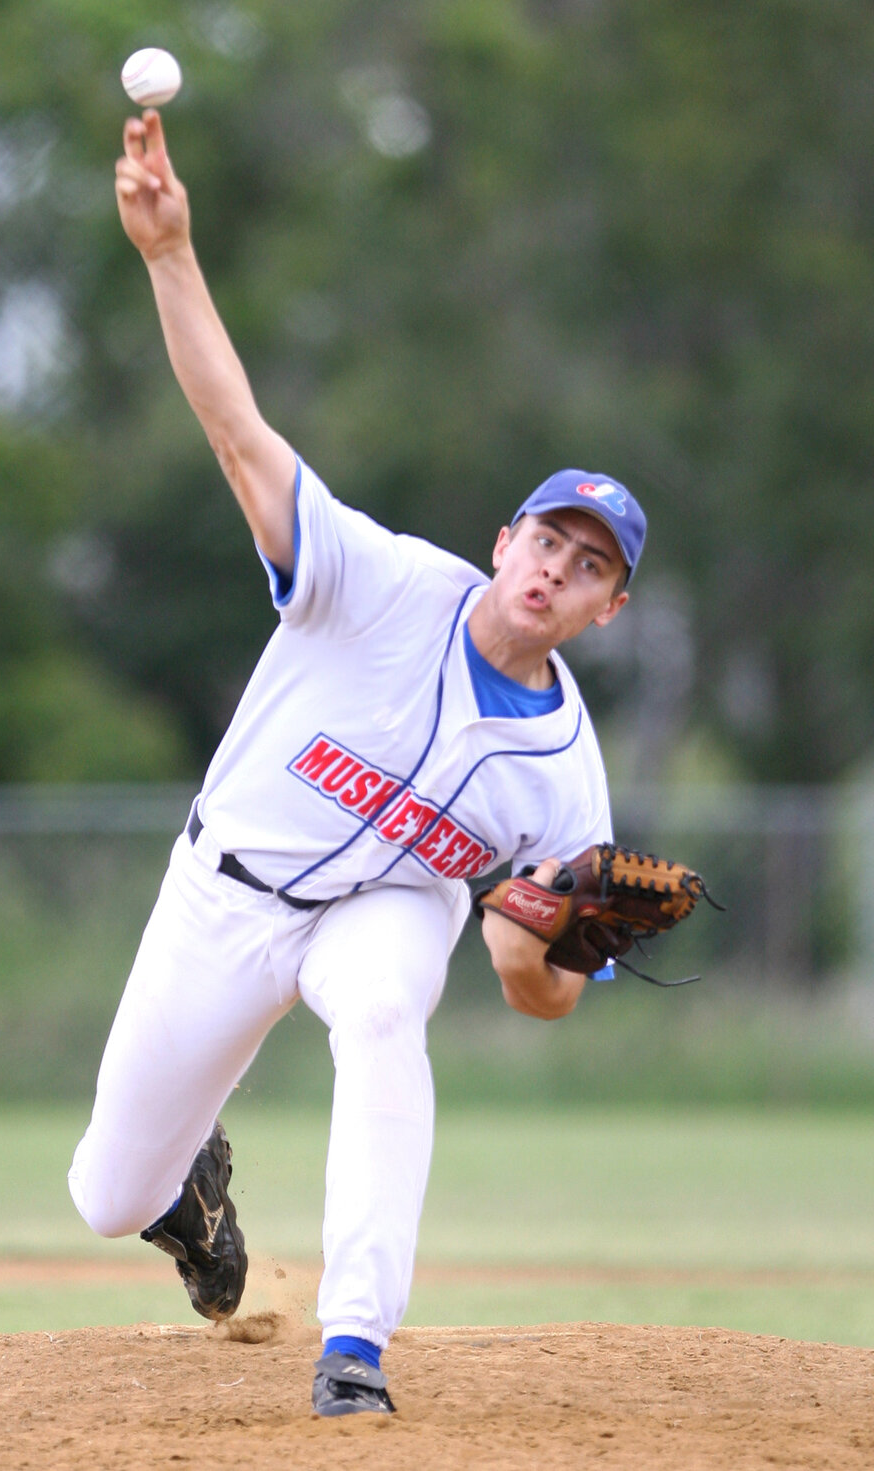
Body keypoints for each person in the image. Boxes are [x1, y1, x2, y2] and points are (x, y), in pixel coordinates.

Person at [68, 109, 647, 1418]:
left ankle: (354, 1348)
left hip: (384, 914)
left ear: (608, 610)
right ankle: (188, 1195)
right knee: (106, 1195)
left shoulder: (566, 780)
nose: (561, 567)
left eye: (594, 564)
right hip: (225, 891)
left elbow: (545, 998)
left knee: (389, 1007)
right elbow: (239, 434)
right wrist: (169, 256)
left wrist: (530, 952)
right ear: (506, 542)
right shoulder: (376, 583)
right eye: (551, 539)